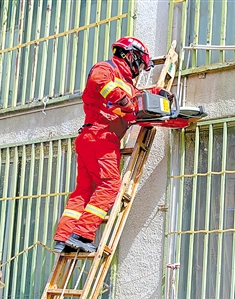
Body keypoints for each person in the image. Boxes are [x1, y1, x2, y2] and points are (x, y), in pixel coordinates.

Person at [53, 36, 170, 253]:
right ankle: (82, 234)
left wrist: (157, 93)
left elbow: (136, 98)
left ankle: (63, 237)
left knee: (84, 190)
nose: (139, 71)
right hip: (101, 137)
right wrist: (123, 101)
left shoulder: (126, 84)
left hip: (90, 138)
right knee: (111, 185)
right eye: (140, 65)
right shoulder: (107, 68)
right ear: (131, 56)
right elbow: (99, 82)